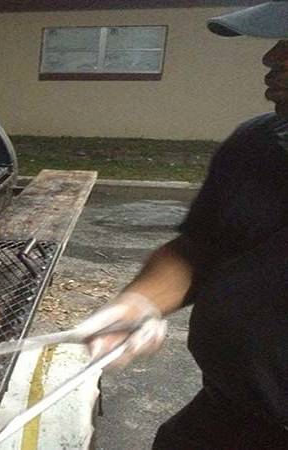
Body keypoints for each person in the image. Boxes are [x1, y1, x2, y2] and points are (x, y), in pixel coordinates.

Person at [77, 2, 288, 449]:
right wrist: (139, 302)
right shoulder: (256, 144)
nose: (271, 58)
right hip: (228, 413)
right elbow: (199, 247)